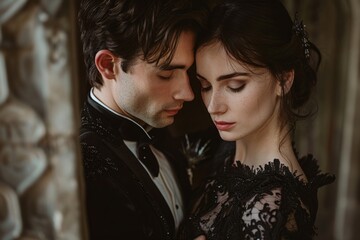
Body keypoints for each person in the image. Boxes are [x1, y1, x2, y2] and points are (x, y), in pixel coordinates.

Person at [178, 0, 335, 239]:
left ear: (284, 79)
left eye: (235, 86)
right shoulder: (226, 153)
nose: (213, 107)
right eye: (205, 86)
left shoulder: (274, 205)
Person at [77, 0, 205, 239]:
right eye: (166, 75)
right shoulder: (80, 168)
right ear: (107, 65)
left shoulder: (158, 126)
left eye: (187, 71)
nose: (187, 94)